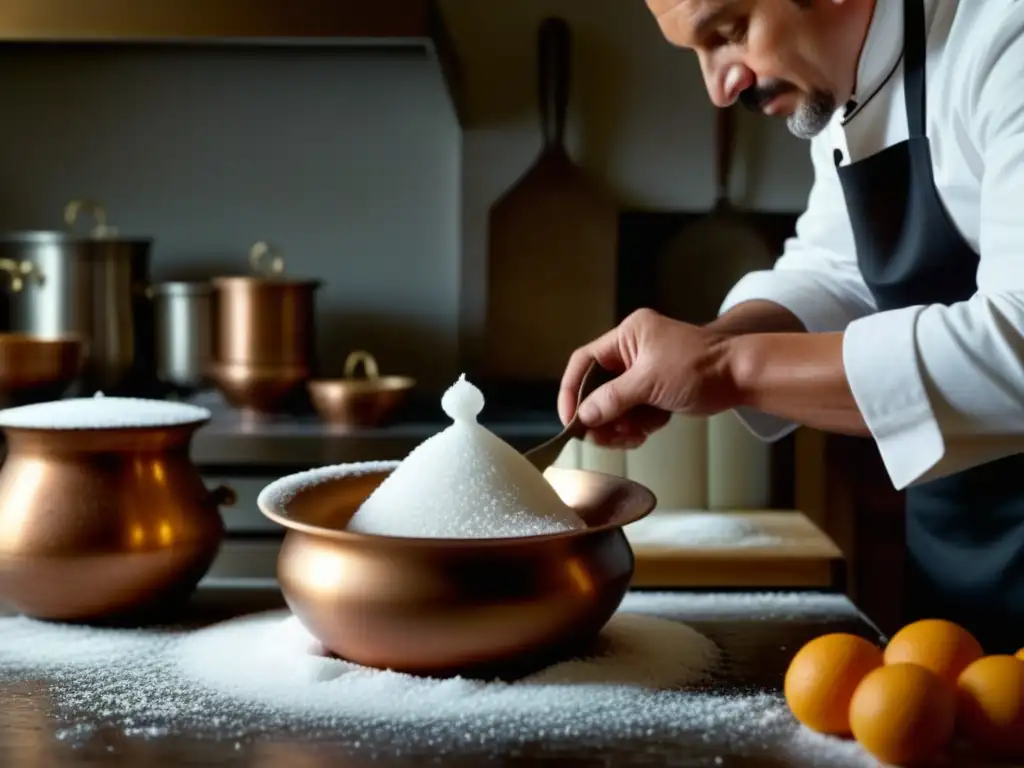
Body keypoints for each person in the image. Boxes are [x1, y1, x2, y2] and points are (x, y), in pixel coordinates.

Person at [558, 0, 1024, 652]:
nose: (720, 88)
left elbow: (1019, 345)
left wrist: (728, 371)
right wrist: (710, 342)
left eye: (728, 34)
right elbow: (838, 270)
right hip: (959, 559)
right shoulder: (845, 80)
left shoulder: (1007, 35)